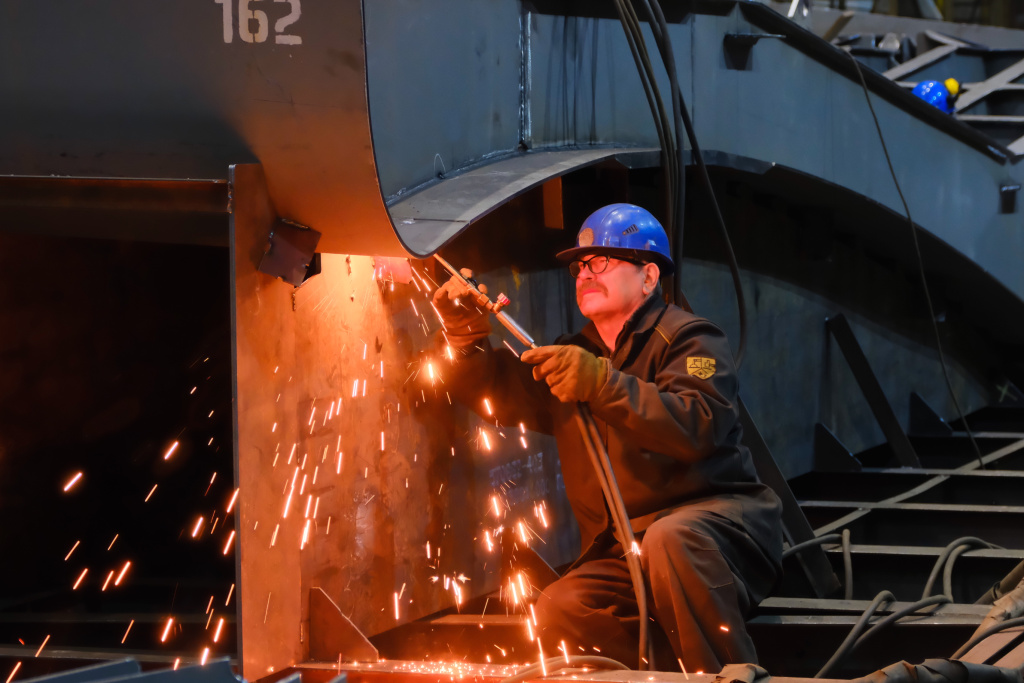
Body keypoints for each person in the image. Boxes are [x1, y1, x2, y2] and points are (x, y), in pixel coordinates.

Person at [432, 203, 783, 673]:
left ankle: (729, 678)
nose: (585, 274)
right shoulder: (575, 355)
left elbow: (698, 425)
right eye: (580, 266)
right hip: (628, 552)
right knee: (561, 609)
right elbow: (500, 393)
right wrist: (464, 341)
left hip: (719, 533)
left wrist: (602, 384)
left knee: (670, 539)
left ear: (649, 277)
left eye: (602, 261)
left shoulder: (691, 339)